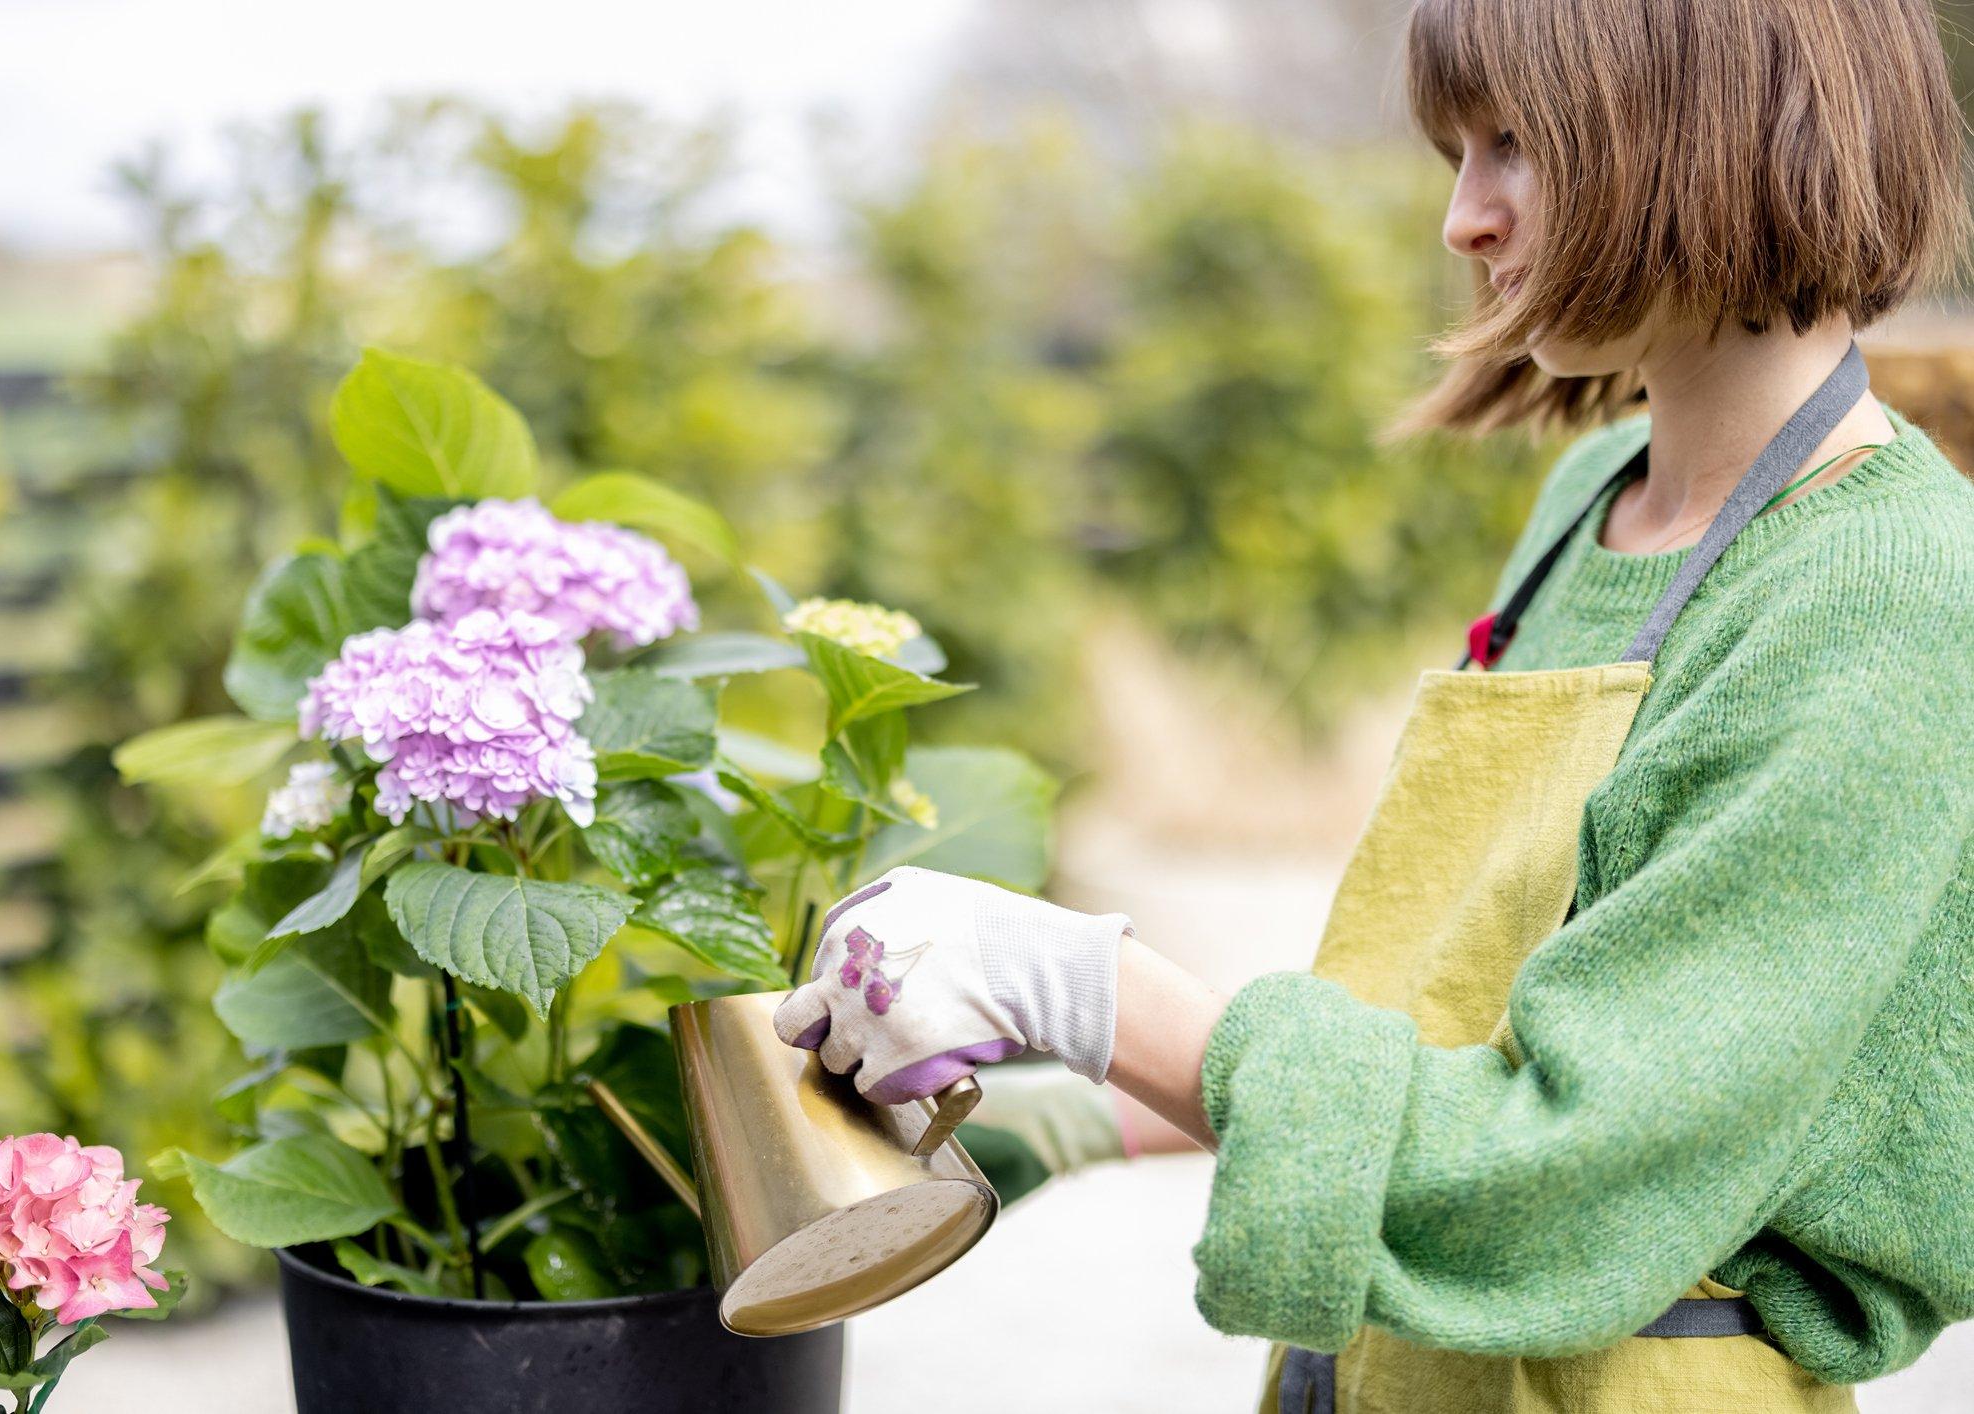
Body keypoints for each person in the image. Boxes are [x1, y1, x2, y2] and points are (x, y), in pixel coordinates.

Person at [771, 1, 1974, 1410]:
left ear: (1715, 120)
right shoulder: (1590, 500)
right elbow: (1457, 1013)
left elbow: (1571, 1167)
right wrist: (1092, 1113)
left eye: (1513, 144)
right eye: (1456, 153)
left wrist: (1088, 984)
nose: (1464, 219)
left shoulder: (1886, 589)